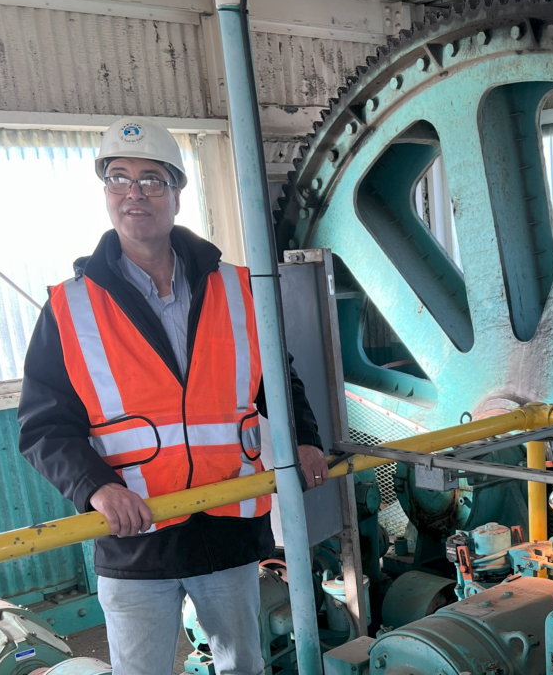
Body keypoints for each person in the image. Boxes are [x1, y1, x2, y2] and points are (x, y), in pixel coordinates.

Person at [18, 116, 330, 675]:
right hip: (137, 540)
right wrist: (96, 488)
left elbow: (277, 381)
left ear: (177, 195)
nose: (134, 194)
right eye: (118, 179)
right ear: (105, 192)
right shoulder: (70, 307)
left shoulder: (237, 287)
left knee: (244, 666)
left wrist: (306, 439)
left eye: (152, 180)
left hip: (227, 528)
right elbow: (44, 427)